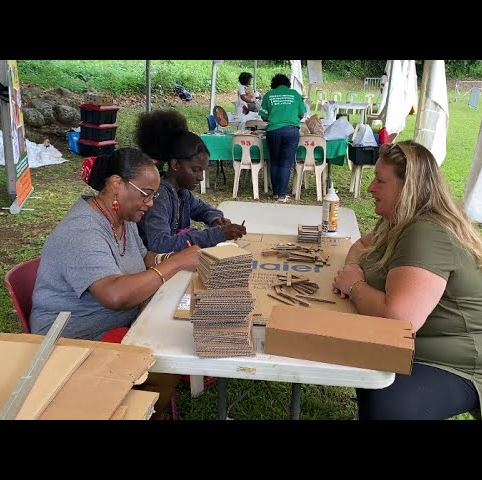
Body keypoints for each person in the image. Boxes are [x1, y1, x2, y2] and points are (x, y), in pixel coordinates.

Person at [332, 140, 482, 420]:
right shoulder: (396, 219)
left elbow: (399, 320)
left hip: (466, 362)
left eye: (380, 181)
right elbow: (361, 246)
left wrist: (354, 285)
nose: (371, 188)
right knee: (363, 361)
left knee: (383, 403)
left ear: (406, 187)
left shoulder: (426, 232)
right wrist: (352, 269)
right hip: (430, 346)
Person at [29, 147, 200, 340]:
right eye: (146, 193)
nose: (150, 203)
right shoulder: (82, 230)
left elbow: (144, 258)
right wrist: (176, 264)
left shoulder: (123, 219)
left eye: (154, 196)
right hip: (72, 341)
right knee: (178, 340)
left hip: (119, 325)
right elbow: (114, 295)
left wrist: (177, 258)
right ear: (116, 184)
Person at [135, 109, 246, 253]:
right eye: (195, 170)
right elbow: (160, 245)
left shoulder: (181, 192)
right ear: (175, 165)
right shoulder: (158, 198)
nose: (200, 177)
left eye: (203, 171)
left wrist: (215, 218)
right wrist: (217, 234)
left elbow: (201, 208)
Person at [259, 73, 306, 203]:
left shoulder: (269, 95)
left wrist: (275, 117)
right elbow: (301, 114)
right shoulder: (295, 94)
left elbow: (263, 116)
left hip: (273, 131)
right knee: (286, 163)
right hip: (291, 131)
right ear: (288, 84)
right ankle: (282, 195)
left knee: (274, 161)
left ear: (274, 84)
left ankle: (275, 193)